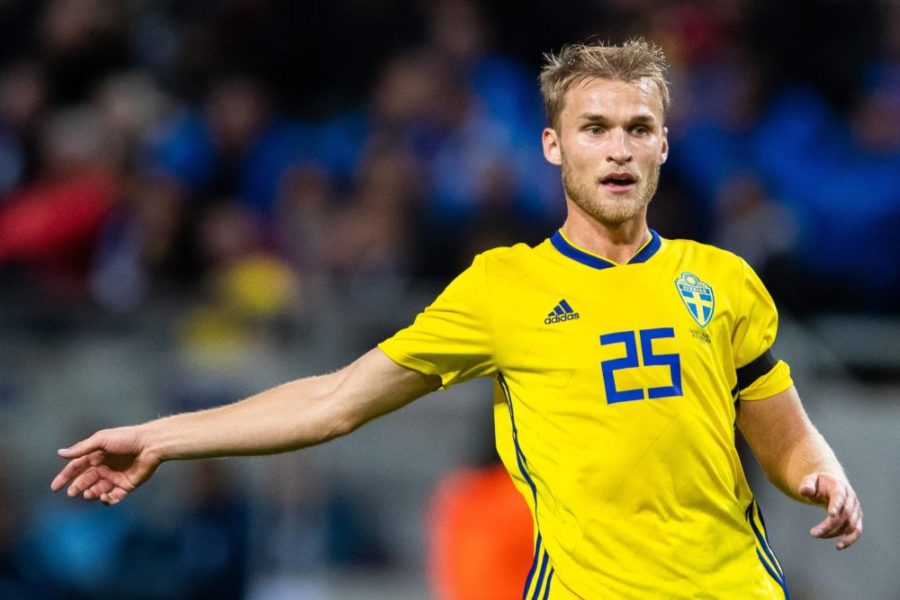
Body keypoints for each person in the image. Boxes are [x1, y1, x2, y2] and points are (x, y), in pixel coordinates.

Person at [51, 39, 862, 598]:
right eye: (595, 129)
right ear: (553, 146)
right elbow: (334, 401)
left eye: (638, 129)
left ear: (663, 146)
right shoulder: (501, 287)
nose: (618, 149)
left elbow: (782, 436)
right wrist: (163, 435)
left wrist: (821, 475)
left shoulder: (722, 281)